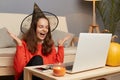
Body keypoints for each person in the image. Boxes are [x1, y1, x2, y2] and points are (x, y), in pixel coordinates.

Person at [8, 15, 70, 80]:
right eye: (41, 27)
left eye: (47, 27)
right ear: (34, 28)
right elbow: (19, 70)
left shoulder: (50, 45)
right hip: (25, 77)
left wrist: (60, 47)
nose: (44, 30)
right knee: (38, 59)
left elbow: (56, 67)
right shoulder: (24, 44)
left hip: (43, 78)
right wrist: (19, 45)